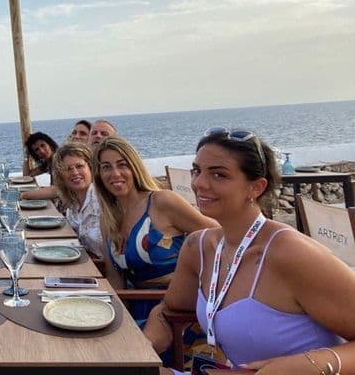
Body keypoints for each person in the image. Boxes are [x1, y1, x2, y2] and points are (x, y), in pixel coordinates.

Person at [148, 129, 353, 372]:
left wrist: (304, 365)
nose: (199, 183)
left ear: (256, 188)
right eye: (197, 171)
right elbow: (170, 308)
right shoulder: (199, 248)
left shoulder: (291, 254)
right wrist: (147, 341)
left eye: (218, 175)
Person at [93, 136, 215, 316]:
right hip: (137, 307)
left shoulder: (161, 202)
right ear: (99, 175)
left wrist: (198, 277)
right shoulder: (108, 220)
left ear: (134, 167)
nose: (115, 174)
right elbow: (115, 279)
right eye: (106, 167)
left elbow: (219, 235)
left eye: (122, 165)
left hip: (177, 312)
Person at [52, 142, 104, 258]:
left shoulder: (101, 200)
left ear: (90, 167)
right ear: (61, 176)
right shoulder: (72, 205)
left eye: (79, 166)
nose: (75, 172)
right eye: (68, 169)